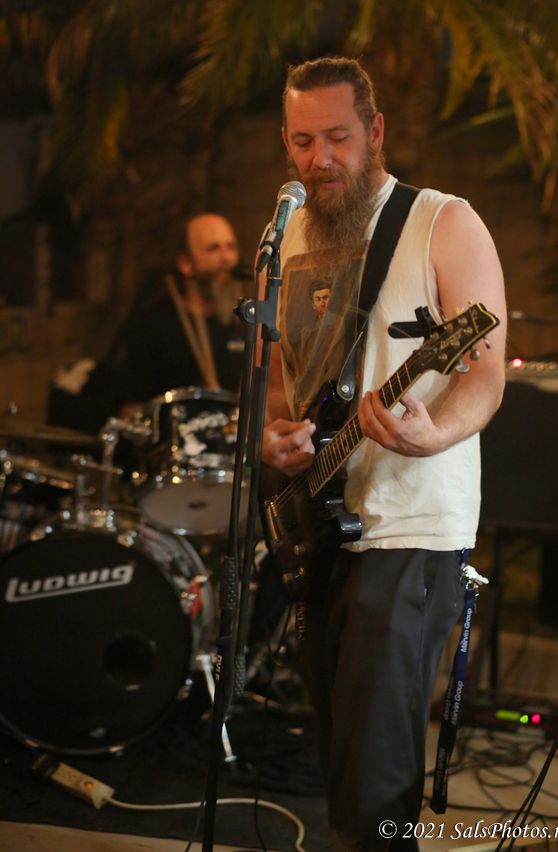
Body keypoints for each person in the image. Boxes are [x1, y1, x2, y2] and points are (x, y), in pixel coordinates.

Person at [261, 57, 507, 850]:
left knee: (375, 775)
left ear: (374, 131)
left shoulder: (442, 222)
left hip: (411, 524)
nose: (320, 157)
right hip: (320, 524)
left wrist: (437, 432)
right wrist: (275, 432)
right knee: (338, 759)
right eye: (303, 141)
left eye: (337, 137)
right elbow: (277, 378)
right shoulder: (290, 237)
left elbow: (485, 374)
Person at [48, 212, 246, 431]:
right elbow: (128, 407)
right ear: (186, 263)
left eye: (231, 247)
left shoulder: (242, 324)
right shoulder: (153, 326)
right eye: (213, 248)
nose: (226, 258)